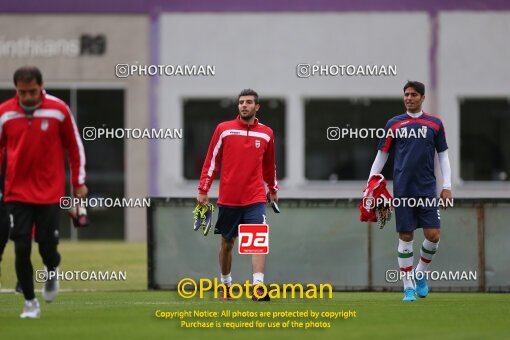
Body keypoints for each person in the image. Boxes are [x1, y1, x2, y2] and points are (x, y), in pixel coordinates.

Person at [0, 66, 87, 318]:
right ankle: (29, 303)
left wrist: (79, 181)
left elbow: (75, 146)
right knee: (21, 246)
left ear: (41, 86)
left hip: (50, 193)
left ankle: (51, 270)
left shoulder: (58, 110)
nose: (27, 97)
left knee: (47, 246)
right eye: (22, 92)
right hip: (16, 192)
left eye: (32, 91)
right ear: (16, 89)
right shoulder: (5, 113)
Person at [369, 81, 452, 302]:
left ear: (422, 97)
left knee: (433, 236)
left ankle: (419, 275)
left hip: (427, 189)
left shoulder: (435, 124)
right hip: (403, 190)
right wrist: (370, 184)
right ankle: (407, 288)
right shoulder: (394, 123)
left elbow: (443, 155)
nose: (409, 98)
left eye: (414, 94)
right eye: (406, 94)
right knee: (406, 236)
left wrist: (447, 186)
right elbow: (382, 155)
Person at [197, 89, 278, 301]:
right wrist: (203, 190)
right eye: (241, 102)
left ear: (257, 107)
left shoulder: (267, 133)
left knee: (258, 241)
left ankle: (258, 287)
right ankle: (225, 284)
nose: (244, 105)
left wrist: (273, 190)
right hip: (229, 199)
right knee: (227, 244)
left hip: (256, 198)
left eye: (249, 102)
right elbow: (211, 161)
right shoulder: (223, 129)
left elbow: (270, 167)